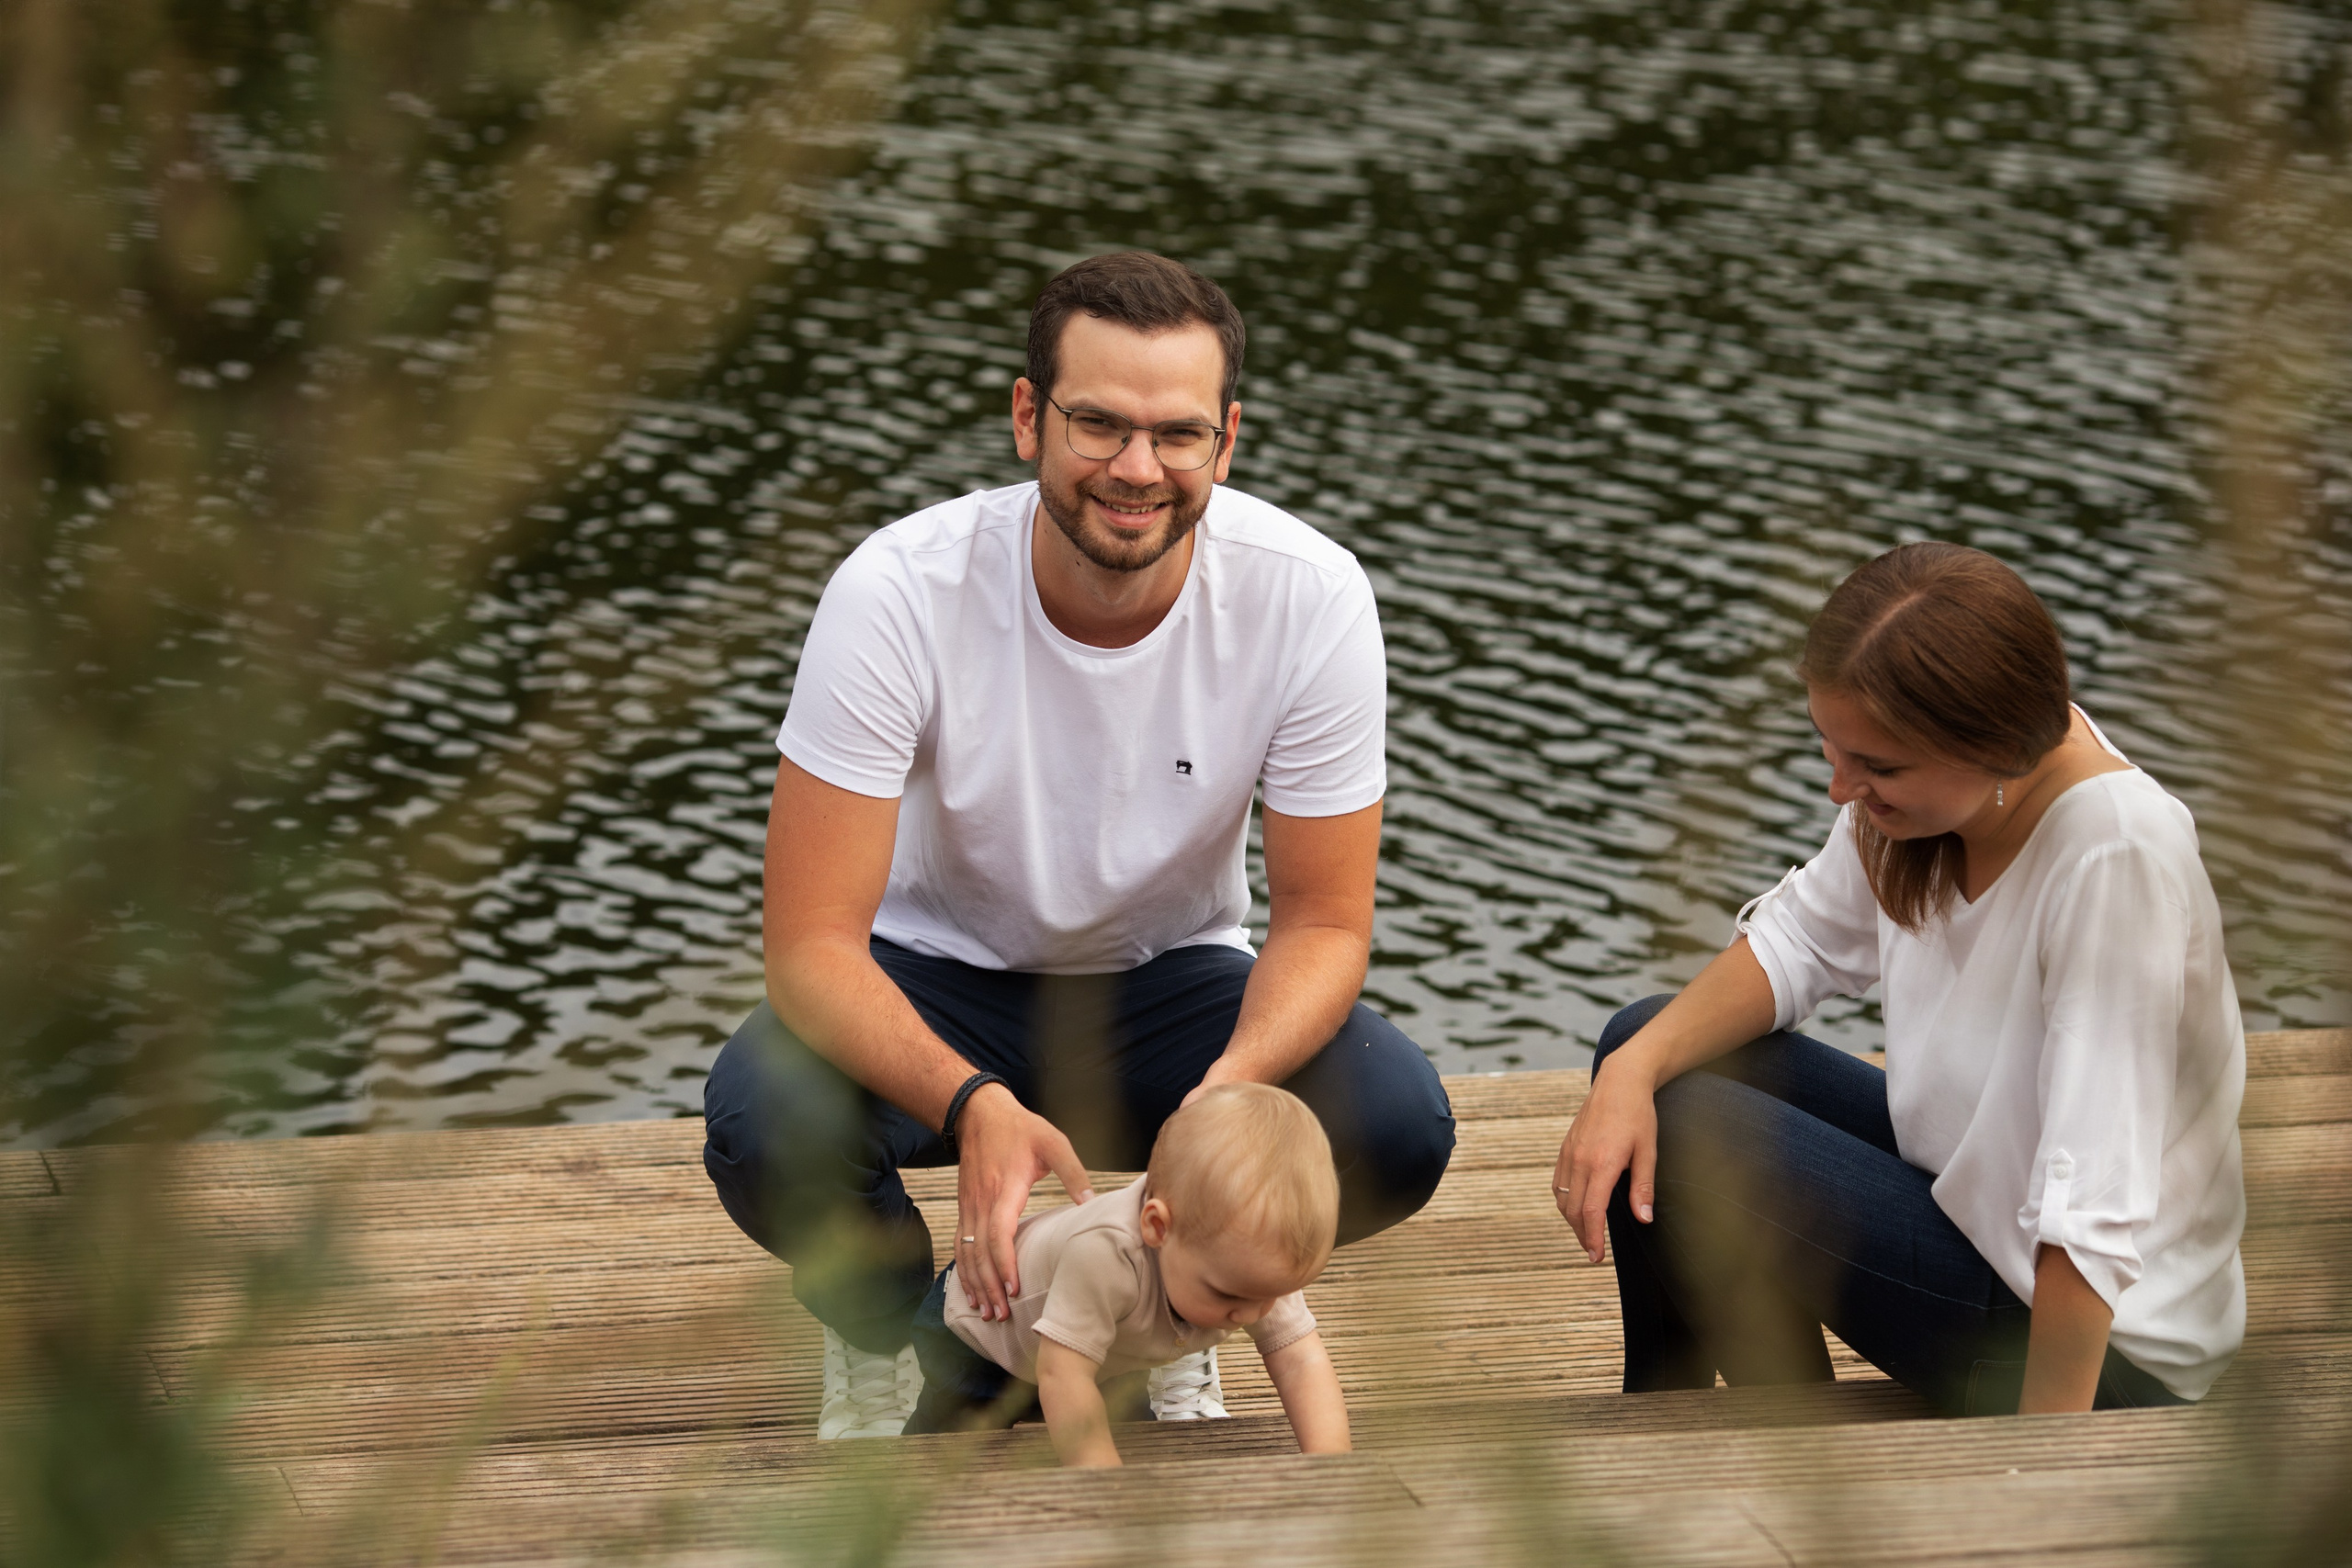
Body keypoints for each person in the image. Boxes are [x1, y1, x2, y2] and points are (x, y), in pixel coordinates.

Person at [701, 251, 1456, 1438]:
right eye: (1098, 423)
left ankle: (1165, 1307)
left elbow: (1322, 921)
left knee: (1398, 1120)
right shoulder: (897, 589)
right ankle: (905, 1330)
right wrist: (970, 1098)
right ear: (1026, 416)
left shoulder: (1310, 594)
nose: (1137, 468)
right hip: (934, 970)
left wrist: (1226, 1098)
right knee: (762, 1116)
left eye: (1177, 433)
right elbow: (808, 945)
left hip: (1170, 977)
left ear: (1229, 438)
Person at [1553, 542, 2245, 1416]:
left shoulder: (2115, 856)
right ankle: (1670, 1406)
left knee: (1694, 1123)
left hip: (2091, 1347)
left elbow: (2091, 1206)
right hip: (1972, 1205)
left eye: (1877, 766)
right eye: (1831, 750)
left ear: (1992, 742)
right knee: (1644, 1043)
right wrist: (1628, 1071)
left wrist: (2053, 1462)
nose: (1844, 788)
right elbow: (1801, 938)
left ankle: (1800, 1441)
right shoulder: (1941, 795)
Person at [904, 1082, 1351, 1465]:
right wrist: (1102, 1485)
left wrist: (1332, 1469)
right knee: (944, 1456)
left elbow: (1300, 1358)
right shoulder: (1106, 1252)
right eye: (1226, 1294)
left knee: (1140, 1451)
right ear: (1158, 1227)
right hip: (982, 1336)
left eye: (1270, 1296)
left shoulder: (1255, 1259)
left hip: (1106, 1353)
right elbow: (1062, 1375)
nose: (1249, 1314)